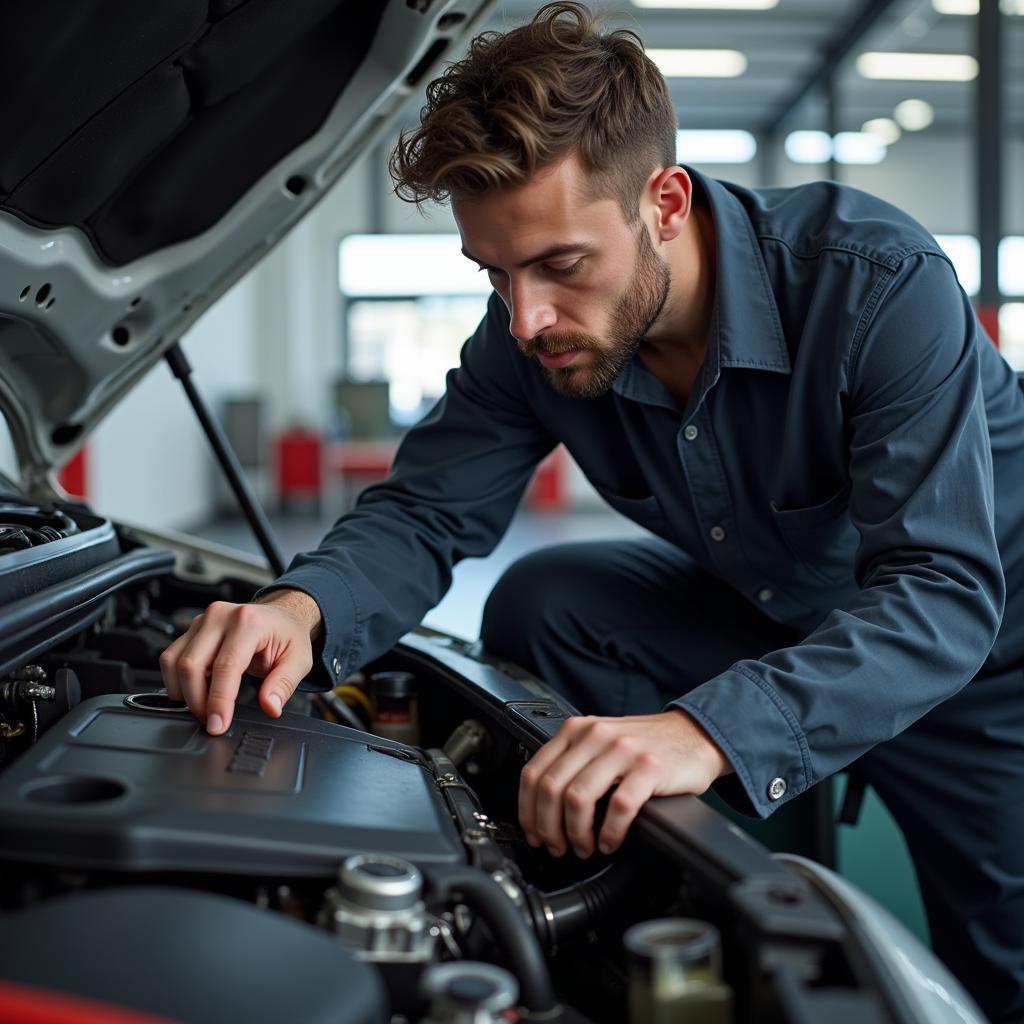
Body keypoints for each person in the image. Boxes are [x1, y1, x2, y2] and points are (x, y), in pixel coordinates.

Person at [159, 3, 1024, 1018]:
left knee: (1002, 971)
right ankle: (644, 885)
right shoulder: (526, 337)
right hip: (783, 617)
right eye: (495, 273)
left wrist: (707, 727)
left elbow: (940, 591)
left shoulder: (875, 286)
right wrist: (297, 609)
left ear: (662, 200)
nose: (527, 319)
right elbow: (425, 511)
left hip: (979, 663)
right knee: (552, 595)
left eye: (561, 266)